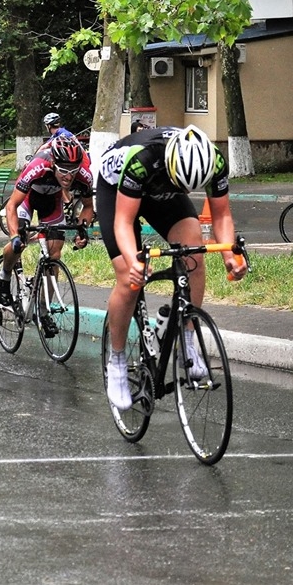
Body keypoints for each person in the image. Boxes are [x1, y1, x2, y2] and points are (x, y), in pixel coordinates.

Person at [97, 124, 247, 410]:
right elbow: (123, 223)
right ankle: (116, 361)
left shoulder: (213, 160)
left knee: (194, 256)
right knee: (129, 280)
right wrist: (133, 262)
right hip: (118, 189)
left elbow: (222, 215)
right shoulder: (142, 159)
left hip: (165, 187)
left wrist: (229, 254)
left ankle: (187, 340)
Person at [0, 136, 94, 334]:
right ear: (53, 163)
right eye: (63, 170)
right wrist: (15, 236)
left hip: (52, 202)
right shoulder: (38, 165)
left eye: (73, 170)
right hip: (27, 199)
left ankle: (43, 310)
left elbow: (88, 207)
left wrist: (82, 231)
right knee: (19, 244)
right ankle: (4, 276)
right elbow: (12, 205)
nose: (68, 176)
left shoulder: (84, 174)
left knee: (54, 254)